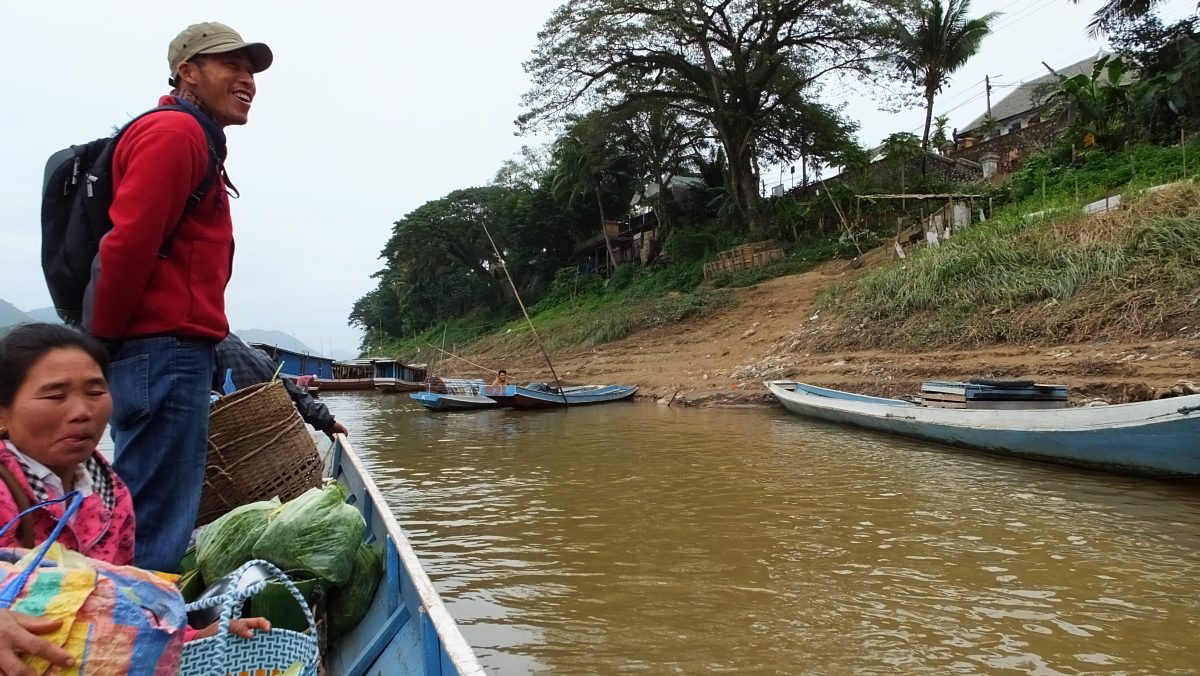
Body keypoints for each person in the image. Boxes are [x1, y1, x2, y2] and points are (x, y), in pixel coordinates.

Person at [84, 22, 272, 572]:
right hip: (160, 354)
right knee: (154, 522)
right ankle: (137, 645)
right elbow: (128, 245)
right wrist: (101, 347)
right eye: (230, 66)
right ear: (188, 72)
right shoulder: (176, 134)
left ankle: (143, 631)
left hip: (166, 353)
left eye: (251, 70)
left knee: (154, 514)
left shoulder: (195, 137)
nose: (248, 80)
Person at [0, 324, 267, 670]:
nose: (81, 411)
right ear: (3, 413)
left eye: (95, 391)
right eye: (55, 395)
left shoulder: (111, 495)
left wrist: (193, 638)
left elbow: (120, 603)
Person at [214, 335, 350, 439]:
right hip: (270, 436)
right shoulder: (255, 353)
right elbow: (291, 387)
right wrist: (326, 422)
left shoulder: (206, 347)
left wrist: (326, 423)